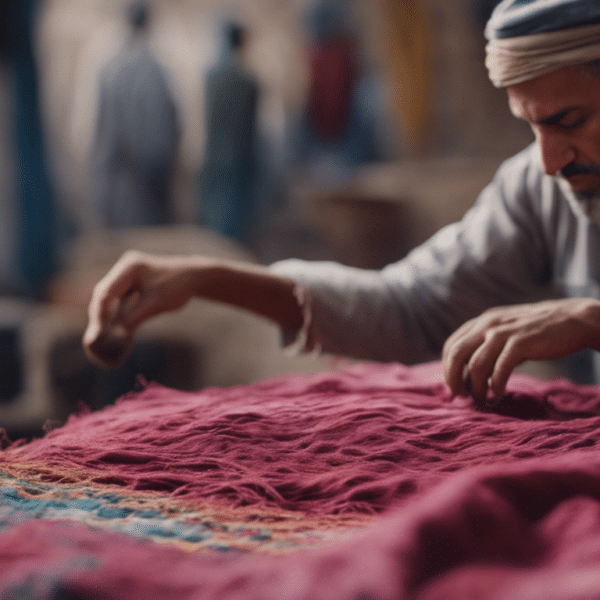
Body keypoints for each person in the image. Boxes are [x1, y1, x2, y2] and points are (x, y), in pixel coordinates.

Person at [84, 0, 600, 404]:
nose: (550, 160)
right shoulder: (539, 186)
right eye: (532, 127)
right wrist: (209, 279)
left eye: (571, 121)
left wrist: (588, 321)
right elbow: (412, 306)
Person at [93, 1, 180, 227]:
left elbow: (100, 128)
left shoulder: (109, 67)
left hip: (121, 176)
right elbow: (172, 125)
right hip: (149, 178)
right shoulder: (158, 69)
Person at [197, 20, 259, 244]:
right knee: (235, 237)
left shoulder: (211, 76)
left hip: (213, 163)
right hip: (238, 166)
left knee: (214, 236)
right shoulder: (248, 82)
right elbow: (252, 134)